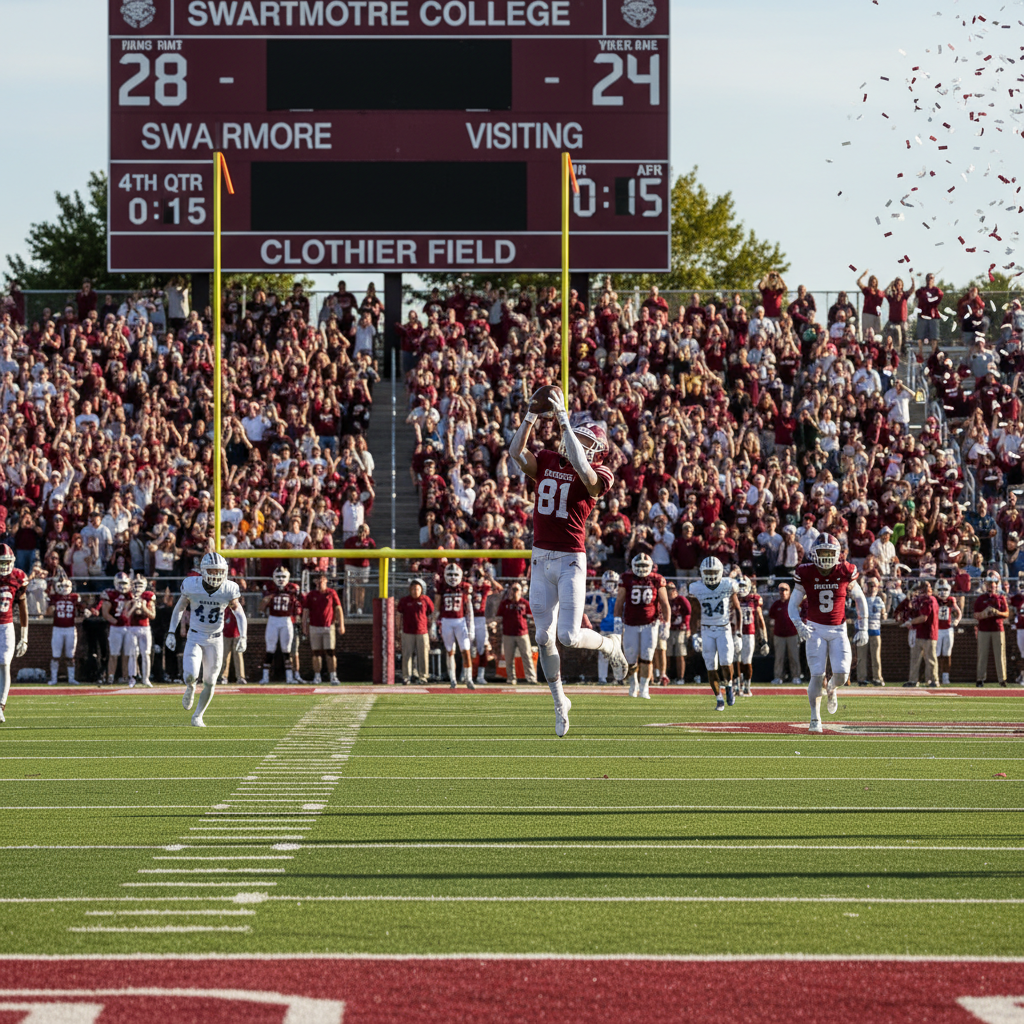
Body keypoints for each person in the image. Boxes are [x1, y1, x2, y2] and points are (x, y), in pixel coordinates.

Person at [509, 384, 627, 736]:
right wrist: (531, 416)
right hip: (540, 555)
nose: (573, 442)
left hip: (569, 559)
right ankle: (560, 703)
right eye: (576, 437)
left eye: (586, 441)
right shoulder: (547, 459)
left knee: (569, 635)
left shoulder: (601, 474)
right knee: (543, 637)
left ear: (598, 452)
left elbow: (585, 473)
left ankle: (609, 644)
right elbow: (516, 453)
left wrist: (562, 417)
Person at [788, 533, 869, 734]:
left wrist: (863, 626)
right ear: (814, 554)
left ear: (837, 554)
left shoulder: (845, 570)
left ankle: (832, 688)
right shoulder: (805, 572)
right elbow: (793, 604)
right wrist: (799, 624)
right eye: (822, 552)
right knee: (817, 675)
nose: (825, 557)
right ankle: (815, 718)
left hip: (838, 629)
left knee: (842, 675)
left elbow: (860, 598)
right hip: (815, 629)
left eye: (829, 553)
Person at [165, 552, 247, 727]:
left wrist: (243, 635)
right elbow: (179, 608)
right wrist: (171, 631)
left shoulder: (229, 588)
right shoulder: (192, 585)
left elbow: (239, 613)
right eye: (212, 570)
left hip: (216, 640)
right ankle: (190, 687)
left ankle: (198, 716)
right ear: (203, 571)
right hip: (195, 636)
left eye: (219, 571)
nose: (216, 574)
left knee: (210, 682)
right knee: (190, 675)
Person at [615, 552, 671, 699]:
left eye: (644, 565)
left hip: (650, 624)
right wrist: (617, 620)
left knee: (647, 657)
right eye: (639, 565)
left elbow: (665, 603)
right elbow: (620, 601)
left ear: (650, 566)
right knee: (630, 658)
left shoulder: (657, 579)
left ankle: (644, 688)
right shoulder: (626, 578)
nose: (641, 568)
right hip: (630, 623)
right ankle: (633, 685)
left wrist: (667, 623)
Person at [688, 556, 741, 711]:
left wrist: (738, 633)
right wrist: (694, 634)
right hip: (706, 629)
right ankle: (719, 698)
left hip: (723, 628)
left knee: (726, 663)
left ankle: (729, 685)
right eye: (708, 572)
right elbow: (694, 613)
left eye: (713, 572)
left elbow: (737, 609)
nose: (711, 575)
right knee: (710, 666)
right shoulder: (696, 587)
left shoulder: (728, 584)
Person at [433, 562, 475, 689]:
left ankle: (468, 678)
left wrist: (471, 626)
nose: (453, 577)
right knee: (450, 651)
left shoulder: (464, 587)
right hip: (446, 621)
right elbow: (437, 608)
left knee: (466, 650)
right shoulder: (442, 587)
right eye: (450, 574)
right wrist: (433, 625)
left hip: (460, 621)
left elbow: (469, 609)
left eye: (456, 574)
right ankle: (453, 679)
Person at [259, 566, 302, 685]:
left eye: (283, 576)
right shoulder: (269, 588)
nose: (281, 579)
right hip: (273, 619)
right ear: (274, 577)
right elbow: (261, 608)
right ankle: (265, 677)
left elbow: (298, 606)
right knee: (270, 649)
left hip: (286, 620)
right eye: (278, 576)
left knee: (286, 650)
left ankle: (289, 677)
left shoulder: (293, 589)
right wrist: (267, 599)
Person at [301, 572, 344, 686]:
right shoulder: (311, 595)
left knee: (330, 652)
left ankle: (333, 676)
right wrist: (304, 626)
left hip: (328, 626)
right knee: (316, 653)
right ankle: (317, 676)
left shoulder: (331, 593)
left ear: (326, 580)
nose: (320, 583)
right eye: (318, 581)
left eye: (322, 580)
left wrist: (341, 625)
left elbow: (338, 608)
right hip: (314, 626)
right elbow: (305, 611)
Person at [497, 580, 536, 685]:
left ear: (521, 591)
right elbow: (499, 617)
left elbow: (532, 616)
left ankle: (531, 678)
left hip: (522, 633)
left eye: (516, 589)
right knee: (509, 658)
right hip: (508, 634)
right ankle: (511, 678)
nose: (514, 592)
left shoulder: (524, 603)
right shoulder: (505, 604)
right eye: (513, 589)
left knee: (527, 656)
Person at [974, 572, 1009, 687]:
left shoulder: (1001, 598)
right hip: (983, 629)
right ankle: (980, 679)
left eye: (993, 584)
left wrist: (997, 613)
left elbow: (1006, 613)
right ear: (986, 585)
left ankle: (1002, 679)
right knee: (982, 654)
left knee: (1000, 655)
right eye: (989, 584)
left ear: (996, 586)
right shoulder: (981, 599)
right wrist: (984, 614)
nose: (991, 587)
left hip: (998, 628)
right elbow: (976, 615)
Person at [736, 575, 768, 697]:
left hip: (749, 633)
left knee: (747, 661)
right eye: (739, 586)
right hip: (735, 633)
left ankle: (747, 686)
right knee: (736, 661)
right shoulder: (733, 598)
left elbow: (760, 620)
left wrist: (764, 639)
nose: (741, 588)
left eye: (743, 586)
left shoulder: (754, 600)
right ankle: (737, 686)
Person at [586, 570, 620, 686]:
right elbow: (596, 610)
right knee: (603, 654)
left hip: (617, 628)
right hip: (604, 627)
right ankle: (602, 678)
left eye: (612, 582)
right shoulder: (600, 595)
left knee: (617, 655)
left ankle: (618, 678)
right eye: (608, 582)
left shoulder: (620, 595)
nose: (610, 585)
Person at [397, 578, 433, 686]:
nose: (415, 591)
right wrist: (398, 629)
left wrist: (431, 628)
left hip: (422, 631)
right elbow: (399, 614)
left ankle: (423, 677)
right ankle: (406, 677)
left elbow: (430, 613)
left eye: (417, 589)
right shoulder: (405, 601)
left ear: (421, 589)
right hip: (408, 631)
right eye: (413, 589)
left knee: (423, 655)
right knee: (407, 655)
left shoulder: (425, 600)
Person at [101, 571, 134, 686]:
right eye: (120, 583)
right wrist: (114, 621)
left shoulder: (130, 595)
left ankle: (125, 677)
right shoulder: (111, 594)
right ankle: (110, 677)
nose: (122, 586)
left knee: (127, 654)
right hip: (116, 628)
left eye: (125, 583)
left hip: (129, 628)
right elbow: (105, 613)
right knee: (114, 654)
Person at [47, 573, 80, 686]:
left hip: (70, 629)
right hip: (57, 629)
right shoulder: (54, 597)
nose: (64, 588)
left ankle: (71, 678)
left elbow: (82, 609)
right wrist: (51, 609)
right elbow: (48, 613)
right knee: (55, 655)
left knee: (70, 656)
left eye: (66, 586)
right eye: (62, 586)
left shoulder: (74, 597)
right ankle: (53, 679)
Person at [905, 580, 940, 688]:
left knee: (930, 659)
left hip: (929, 633)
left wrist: (911, 622)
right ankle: (913, 680)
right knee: (915, 658)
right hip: (919, 633)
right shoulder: (922, 600)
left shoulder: (929, 600)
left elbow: (924, 617)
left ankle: (934, 680)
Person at [768, 580, 801, 687]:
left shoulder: (794, 604)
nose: (783, 592)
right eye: (781, 590)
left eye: (785, 590)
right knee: (779, 657)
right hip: (779, 635)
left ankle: (796, 676)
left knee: (794, 657)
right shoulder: (776, 605)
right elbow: (771, 618)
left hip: (792, 634)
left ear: (789, 592)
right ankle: (778, 677)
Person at [126, 573, 156, 689]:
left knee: (146, 654)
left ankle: (145, 678)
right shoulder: (129, 598)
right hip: (132, 628)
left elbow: (153, 615)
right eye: (136, 584)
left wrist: (143, 607)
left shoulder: (148, 597)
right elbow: (126, 615)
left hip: (145, 627)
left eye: (140, 585)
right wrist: (134, 606)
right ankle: (132, 678)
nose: (138, 587)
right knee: (133, 653)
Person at [858, 576, 887, 687]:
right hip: (862, 630)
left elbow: (883, 614)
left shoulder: (879, 599)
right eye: (869, 585)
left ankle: (877, 677)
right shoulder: (862, 598)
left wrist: (883, 613)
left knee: (876, 657)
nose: (871, 588)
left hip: (875, 630)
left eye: (873, 585)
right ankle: (861, 678)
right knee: (861, 657)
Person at [469, 566, 495, 687]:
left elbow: (498, 589)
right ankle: (466, 674)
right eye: (476, 575)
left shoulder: (485, 587)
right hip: (469, 618)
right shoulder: (467, 586)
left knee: (483, 647)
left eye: (479, 575)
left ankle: (480, 675)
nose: (477, 577)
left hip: (481, 618)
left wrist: (488, 577)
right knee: (467, 647)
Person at [934, 578, 962, 687]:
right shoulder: (934, 600)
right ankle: (935, 676)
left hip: (948, 629)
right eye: (940, 589)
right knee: (936, 654)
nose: (943, 592)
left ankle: (945, 677)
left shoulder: (951, 600)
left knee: (947, 654)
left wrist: (957, 620)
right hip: (937, 629)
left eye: (945, 589)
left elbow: (958, 612)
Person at [666, 580, 691, 686]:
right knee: (667, 654)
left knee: (680, 654)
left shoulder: (681, 600)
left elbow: (688, 612)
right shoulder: (665, 600)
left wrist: (687, 627)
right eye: (667, 590)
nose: (669, 592)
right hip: (668, 629)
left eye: (671, 590)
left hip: (680, 629)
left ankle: (680, 677)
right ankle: (667, 676)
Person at [220, 602, 247, 686]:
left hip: (237, 633)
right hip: (225, 634)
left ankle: (240, 677)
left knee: (238, 655)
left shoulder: (237, 607)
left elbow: (242, 619)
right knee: (224, 656)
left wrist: (243, 636)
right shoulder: (223, 608)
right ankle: (223, 676)